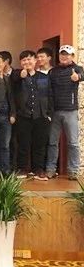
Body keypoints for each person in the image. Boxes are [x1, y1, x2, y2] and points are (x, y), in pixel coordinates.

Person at [10, 50, 52, 180]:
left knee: (40, 144)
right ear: (21, 62)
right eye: (24, 60)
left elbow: (50, 95)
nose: (27, 62)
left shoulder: (44, 77)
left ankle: (38, 169)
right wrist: (21, 75)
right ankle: (22, 169)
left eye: (29, 59)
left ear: (35, 61)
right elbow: (13, 80)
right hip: (23, 115)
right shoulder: (16, 75)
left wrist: (49, 114)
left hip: (41, 115)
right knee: (23, 144)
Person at [46, 45, 83, 180]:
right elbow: (49, 90)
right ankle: (50, 169)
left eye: (67, 54)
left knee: (73, 143)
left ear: (72, 56)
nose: (64, 56)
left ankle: (73, 170)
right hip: (55, 111)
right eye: (62, 54)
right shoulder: (53, 71)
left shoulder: (77, 68)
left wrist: (78, 77)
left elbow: (82, 75)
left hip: (70, 111)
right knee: (52, 142)